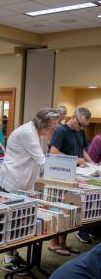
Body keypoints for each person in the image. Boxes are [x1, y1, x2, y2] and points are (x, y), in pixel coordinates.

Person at [0, 108, 60, 272]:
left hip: (21, 182)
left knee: (20, 221)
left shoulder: (33, 132)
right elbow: (42, 161)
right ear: (44, 124)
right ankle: (9, 259)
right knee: (14, 221)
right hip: (13, 182)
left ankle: (13, 255)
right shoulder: (28, 133)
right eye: (53, 125)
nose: (55, 127)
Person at [50, 107, 93, 252]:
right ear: (73, 117)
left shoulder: (80, 131)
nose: (82, 127)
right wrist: (76, 160)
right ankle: (54, 244)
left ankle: (63, 243)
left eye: (84, 126)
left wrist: (92, 164)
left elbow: (83, 151)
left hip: (73, 176)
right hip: (59, 175)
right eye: (80, 124)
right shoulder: (61, 130)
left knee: (71, 210)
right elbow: (53, 152)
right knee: (59, 210)